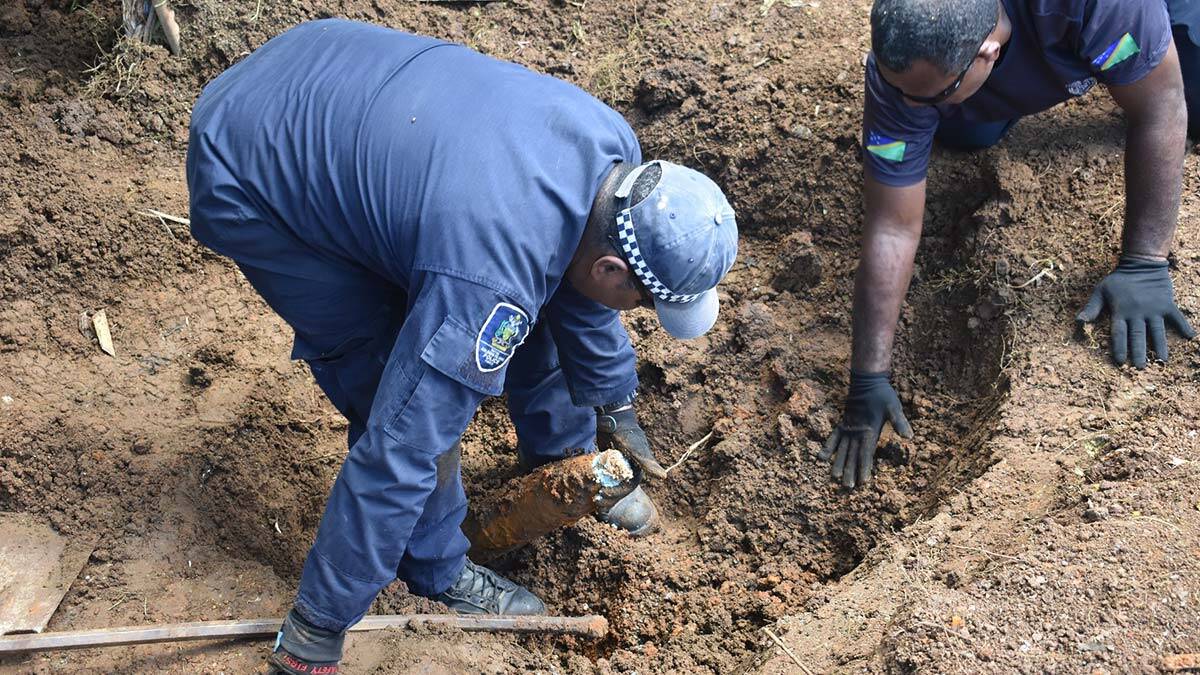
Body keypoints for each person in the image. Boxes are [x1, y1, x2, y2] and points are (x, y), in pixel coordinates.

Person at [185, 19, 738, 673]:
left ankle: (559, 460)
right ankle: (437, 564)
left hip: (324, 69)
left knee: (515, 305)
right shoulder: (490, 277)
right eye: (647, 303)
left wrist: (613, 399)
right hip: (252, 170)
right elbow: (404, 443)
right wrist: (318, 626)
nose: (636, 311)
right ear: (617, 271)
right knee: (391, 365)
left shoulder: (611, 153)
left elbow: (574, 285)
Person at [825, 0, 1199, 488]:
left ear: (986, 52)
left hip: (1106, 14)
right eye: (900, 90)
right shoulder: (908, 70)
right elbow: (892, 226)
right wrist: (867, 377)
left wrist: (1145, 261)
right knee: (963, 129)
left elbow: (1161, 105)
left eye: (930, 94)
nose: (909, 107)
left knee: (1187, 86)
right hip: (1018, 41)